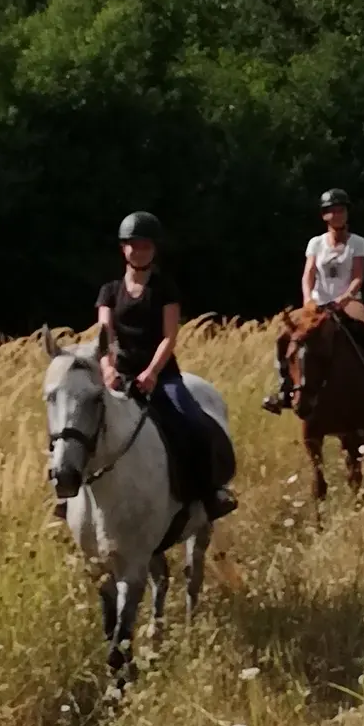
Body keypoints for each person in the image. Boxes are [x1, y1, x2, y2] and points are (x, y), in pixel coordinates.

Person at [95, 211, 238, 520]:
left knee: (194, 423)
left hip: (161, 376)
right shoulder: (109, 291)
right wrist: (107, 369)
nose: (140, 250)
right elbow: (104, 335)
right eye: (134, 244)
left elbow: (169, 336)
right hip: (118, 376)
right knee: (81, 425)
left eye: (146, 245)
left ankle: (210, 494)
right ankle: (69, 500)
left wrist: (152, 373)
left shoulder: (165, 289)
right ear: (124, 248)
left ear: (154, 249)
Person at [261, 188, 364, 414]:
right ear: (324, 215)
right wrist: (308, 299)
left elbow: (358, 276)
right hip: (317, 304)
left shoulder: (357, 243)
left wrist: (345, 297)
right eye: (332, 211)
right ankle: (284, 389)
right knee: (285, 335)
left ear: (347, 213)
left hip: (347, 301)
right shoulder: (316, 244)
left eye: (341, 210)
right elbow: (308, 274)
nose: (337, 215)